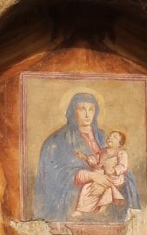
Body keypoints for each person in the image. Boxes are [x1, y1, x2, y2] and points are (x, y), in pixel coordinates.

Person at [33, 92, 141, 224]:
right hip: (73, 202)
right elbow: (55, 174)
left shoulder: (103, 137)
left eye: (91, 109)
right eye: (82, 109)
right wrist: (91, 176)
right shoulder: (60, 139)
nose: (87, 114)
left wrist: (107, 182)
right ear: (73, 111)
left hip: (109, 195)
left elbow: (122, 168)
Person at [73, 130, 131, 217]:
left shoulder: (121, 153)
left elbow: (123, 166)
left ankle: (101, 208)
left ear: (119, 144)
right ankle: (80, 209)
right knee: (87, 187)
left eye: (114, 137)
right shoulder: (103, 152)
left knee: (106, 189)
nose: (110, 137)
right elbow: (95, 161)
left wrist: (114, 170)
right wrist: (85, 157)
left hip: (113, 177)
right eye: (110, 136)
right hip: (101, 174)